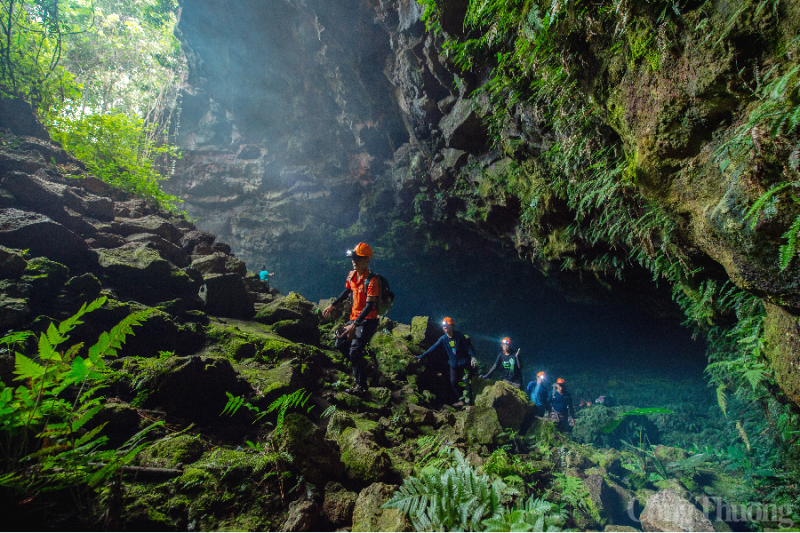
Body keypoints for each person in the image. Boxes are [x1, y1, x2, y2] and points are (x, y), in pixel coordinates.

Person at [322, 243, 380, 395]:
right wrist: (332, 305)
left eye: (358, 258)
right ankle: (364, 366)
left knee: (354, 350)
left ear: (366, 260)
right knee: (340, 342)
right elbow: (347, 291)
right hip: (355, 318)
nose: (354, 261)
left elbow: (369, 306)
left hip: (368, 320)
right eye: (353, 258)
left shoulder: (372, 281)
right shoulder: (351, 275)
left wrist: (355, 324)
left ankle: (362, 387)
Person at [416, 317, 477, 408]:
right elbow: (433, 348)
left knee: (466, 383)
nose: (445, 328)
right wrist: (421, 356)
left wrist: (473, 357)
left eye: (447, 326)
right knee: (453, 382)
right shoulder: (443, 339)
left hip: (464, 363)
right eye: (444, 326)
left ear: (452, 326)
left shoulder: (459, 336)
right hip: (453, 365)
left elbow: (468, 347)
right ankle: (461, 401)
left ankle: (469, 405)